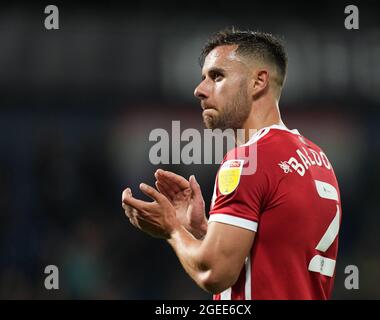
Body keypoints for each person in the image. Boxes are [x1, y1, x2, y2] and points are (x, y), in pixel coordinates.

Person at [122, 28, 342, 300]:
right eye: (203, 78)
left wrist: (172, 229)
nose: (199, 90)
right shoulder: (318, 159)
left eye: (217, 76)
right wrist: (204, 230)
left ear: (258, 82)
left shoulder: (248, 160)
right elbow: (278, 255)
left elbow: (215, 274)